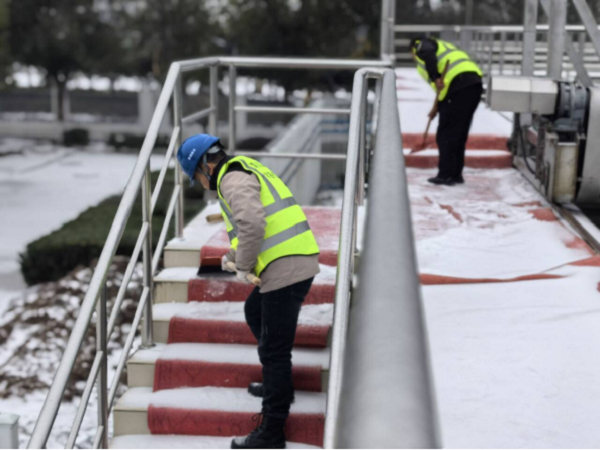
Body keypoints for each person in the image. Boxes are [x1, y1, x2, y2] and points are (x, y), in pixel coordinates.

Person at [177, 134, 320, 449]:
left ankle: (271, 432)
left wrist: (242, 267)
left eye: (197, 177)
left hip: (286, 268)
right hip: (291, 260)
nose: (201, 184)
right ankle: (278, 385)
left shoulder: (232, 179)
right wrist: (232, 257)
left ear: (204, 166)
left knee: (274, 351)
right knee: (254, 311)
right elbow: (253, 230)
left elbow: (253, 224)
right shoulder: (243, 168)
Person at [410, 36, 483, 186]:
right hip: (473, 84)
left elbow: (427, 52)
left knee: (446, 134)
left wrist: (435, 77)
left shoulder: (422, 45)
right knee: (459, 133)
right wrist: (436, 107)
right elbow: (442, 91)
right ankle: (455, 174)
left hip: (459, 84)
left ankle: (445, 175)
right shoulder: (444, 46)